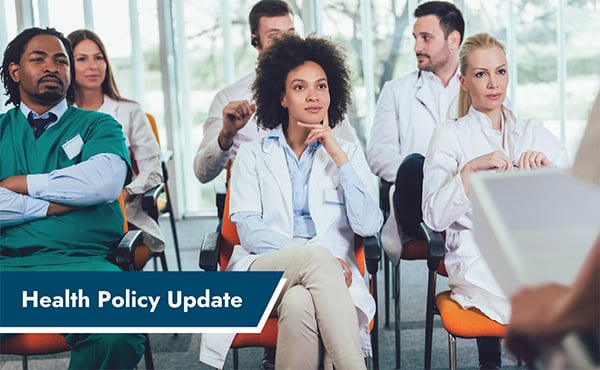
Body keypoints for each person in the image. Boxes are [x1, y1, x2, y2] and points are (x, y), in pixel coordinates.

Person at [199, 33, 383, 370]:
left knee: (300, 303)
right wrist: (315, 257)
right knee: (316, 271)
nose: (313, 96)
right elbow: (251, 233)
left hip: (329, 277)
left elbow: (369, 225)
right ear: (282, 97)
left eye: (321, 86)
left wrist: (339, 158)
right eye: (300, 88)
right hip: (265, 268)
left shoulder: (348, 154)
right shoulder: (253, 155)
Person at [0, 27, 146, 369]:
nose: (52, 67)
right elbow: (87, 187)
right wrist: (57, 202)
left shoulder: (99, 126)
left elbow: (104, 184)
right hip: (7, 265)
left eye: (61, 61)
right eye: (38, 59)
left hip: (83, 265)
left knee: (117, 328)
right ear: (15, 71)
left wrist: (21, 184)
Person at [421, 32, 569, 369]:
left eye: (500, 72)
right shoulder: (450, 135)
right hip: (478, 255)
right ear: (463, 81)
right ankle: (496, 360)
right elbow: (432, 215)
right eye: (481, 74)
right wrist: (470, 171)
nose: (493, 83)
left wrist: (546, 170)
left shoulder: (532, 131)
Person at [193, 0, 356, 185]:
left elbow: (352, 158)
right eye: (274, 37)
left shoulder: (320, 93)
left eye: (291, 34)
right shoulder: (229, 99)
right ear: (256, 42)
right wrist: (226, 135)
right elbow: (202, 173)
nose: (286, 44)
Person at [366, 0, 464, 261]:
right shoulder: (395, 91)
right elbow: (378, 154)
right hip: (415, 203)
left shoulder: (480, 87)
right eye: (415, 38)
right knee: (414, 166)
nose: (416, 47)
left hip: (465, 200)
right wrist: (431, 175)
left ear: (453, 40)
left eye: (426, 38)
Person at [67, 28, 165, 255]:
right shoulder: (62, 118)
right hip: (72, 213)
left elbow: (153, 169)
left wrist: (127, 193)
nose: (93, 66)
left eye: (98, 57)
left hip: (123, 213)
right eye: (82, 59)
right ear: (68, 67)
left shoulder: (129, 111)